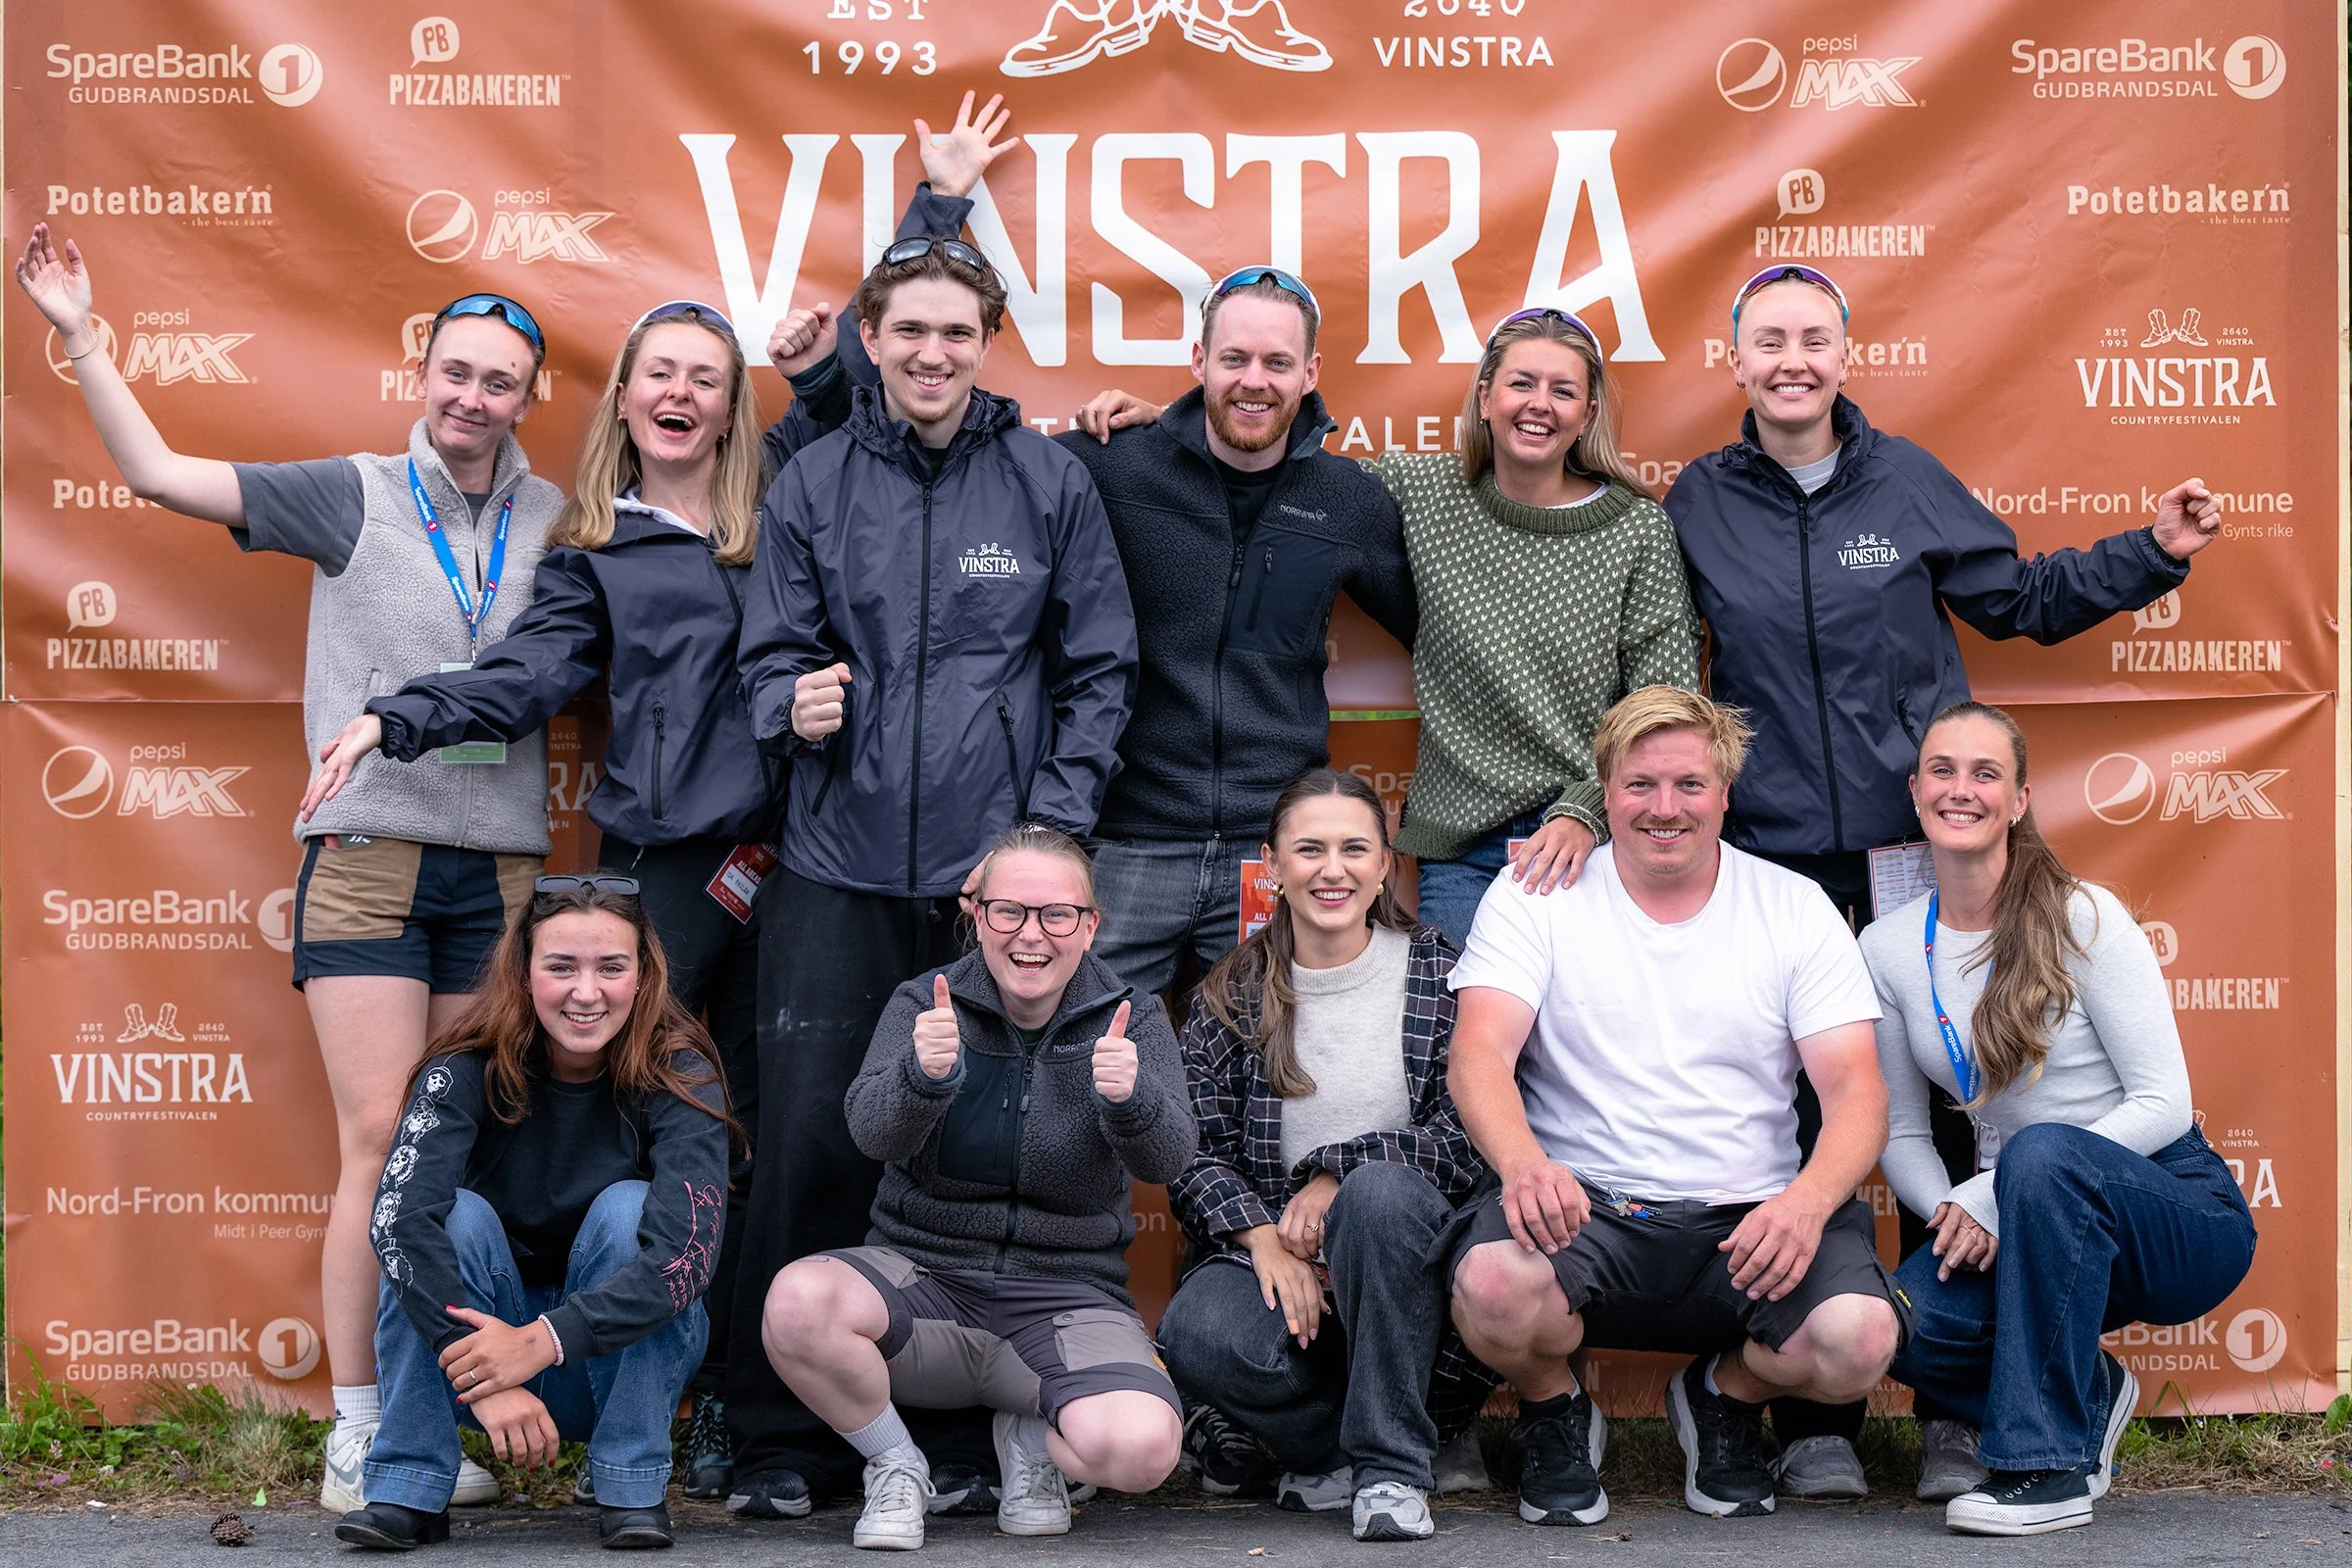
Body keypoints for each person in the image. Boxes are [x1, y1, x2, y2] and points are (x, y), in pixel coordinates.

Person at [15, 224, 561, 1514]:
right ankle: (355, 1434)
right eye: (458, 373)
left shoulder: (559, 518)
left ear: (531, 401)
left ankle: (432, 1426)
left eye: (501, 382)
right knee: (378, 1140)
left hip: (501, 878)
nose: (474, 398)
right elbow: (153, 473)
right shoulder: (353, 492)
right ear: (422, 373)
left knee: (458, 1154)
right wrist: (84, 333)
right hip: (369, 860)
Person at [1660, 264, 2225, 1496]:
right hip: (1774, 863)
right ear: (1736, 360)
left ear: (1844, 356)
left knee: (1962, 1116)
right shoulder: (1697, 500)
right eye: (1770, 341)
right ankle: (1813, 1417)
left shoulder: (1905, 478)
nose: (1793, 359)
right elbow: (1648, 651)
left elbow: (2016, 599)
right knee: (1807, 1124)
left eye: (1815, 337)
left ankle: (1961, 1406)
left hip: (1913, 851)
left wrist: (2153, 553)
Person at [300, 297, 769, 1501]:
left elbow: (909, 395)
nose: (679, 392)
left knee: (786, 1128)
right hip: (674, 865)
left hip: (817, 861)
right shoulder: (596, 550)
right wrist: (398, 715)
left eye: (704, 376)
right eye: (656, 372)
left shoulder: (793, 516)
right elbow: (522, 677)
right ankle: (654, 1411)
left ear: (734, 403)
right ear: (623, 398)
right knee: (665, 1130)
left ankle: (759, 1407)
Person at [726, 229, 1138, 1519]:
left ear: (986, 341)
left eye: (956, 331)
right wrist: (787, 702)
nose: (932, 352)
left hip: (992, 888)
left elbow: (1097, 670)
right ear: (871, 338)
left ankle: (958, 1446)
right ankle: (775, 1443)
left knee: (972, 1153)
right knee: (810, 1143)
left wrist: (1042, 845)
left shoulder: (1046, 479)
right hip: (835, 869)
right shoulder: (812, 478)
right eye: (909, 329)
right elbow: (765, 655)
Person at [1444, 686, 1902, 1526]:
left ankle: (1723, 1397)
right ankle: (1556, 1409)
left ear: (1725, 792)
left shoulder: (1793, 906)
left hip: (1750, 1222)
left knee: (1859, 1343)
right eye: (1640, 785)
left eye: (1690, 785)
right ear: (1605, 790)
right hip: (1586, 1214)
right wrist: (1522, 1163)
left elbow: (1858, 1093)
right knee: (1489, 1285)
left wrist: (1806, 1203)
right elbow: (1478, 1054)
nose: (1665, 808)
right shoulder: (1532, 896)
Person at [1861, 703, 2254, 1536]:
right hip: (2025, 1211)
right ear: (1915, 789)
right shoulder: (1889, 947)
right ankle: (2089, 1392)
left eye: (1985, 774)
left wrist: (1997, 1189)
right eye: (1942, 770)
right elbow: (1901, 1131)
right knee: (1894, 1328)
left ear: (2020, 799)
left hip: (2168, 1204)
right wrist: (1951, 1211)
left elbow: (2164, 1102)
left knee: (2040, 1154)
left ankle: (2047, 1470)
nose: (1960, 789)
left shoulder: (2085, 915)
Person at [759, 825, 1191, 1549]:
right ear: (977, 915)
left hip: (1065, 1299)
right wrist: (922, 1080)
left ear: (1090, 926)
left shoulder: (1132, 1015)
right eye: (1009, 912)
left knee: (1141, 1451)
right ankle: (896, 1464)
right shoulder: (923, 1002)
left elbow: (1168, 1160)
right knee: (799, 1301)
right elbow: (871, 1133)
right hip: (924, 1287)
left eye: (1057, 915)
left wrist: (1130, 1100)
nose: (1032, 935)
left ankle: (1031, 1439)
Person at [336, 876, 733, 1551]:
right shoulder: (462, 1064)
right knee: (448, 1219)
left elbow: (685, 1256)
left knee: (626, 1210)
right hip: (477, 1364)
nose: (587, 992)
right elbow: (396, 1222)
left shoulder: (680, 1068)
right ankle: (408, 1487)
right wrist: (484, 1371)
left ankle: (630, 1486)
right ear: (523, 975)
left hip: (595, 1358)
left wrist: (542, 1341)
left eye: (611, 967)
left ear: (643, 976)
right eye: (561, 967)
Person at [1157, 768, 1494, 1543]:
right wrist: (1262, 1237)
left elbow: (1470, 1133)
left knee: (1376, 1197)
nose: (1331, 870)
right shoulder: (1231, 991)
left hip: (1414, 1268)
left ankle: (1390, 1473)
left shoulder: (1445, 974)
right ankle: (1336, 1448)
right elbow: (1190, 1150)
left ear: (1386, 865)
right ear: (1272, 866)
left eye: (1354, 849)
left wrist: (1335, 1171)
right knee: (1197, 1333)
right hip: (1283, 1270)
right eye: (1309, 850)